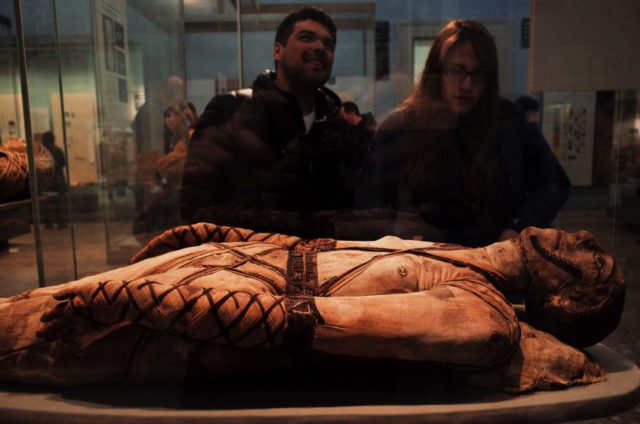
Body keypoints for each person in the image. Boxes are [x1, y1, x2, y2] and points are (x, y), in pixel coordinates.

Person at [0, 222, 624, 394]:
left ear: (564, 299)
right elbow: (316, 252)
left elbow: (298, 325)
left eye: (593, 266)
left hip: (197, 323)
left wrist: (140, 301)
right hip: (207, 277)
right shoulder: (462, 256)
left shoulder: (481, 318)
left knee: (17, 334)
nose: (585, 242)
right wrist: (216, 235)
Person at [363, 20, 571, 247]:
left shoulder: (508, 121)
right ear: (437, 71)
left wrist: (517, 228)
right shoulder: (400, 125)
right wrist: (398, 237)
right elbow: (371, 201)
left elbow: (554, 183)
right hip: (418, 259)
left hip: (491, 257)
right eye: (456, 70)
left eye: (479, 74)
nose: (467, 84)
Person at [180, 7, 360, 239]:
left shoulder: (336, 125)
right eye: (307, 37)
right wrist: (297, 225)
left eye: (328, 44)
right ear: (278, 50)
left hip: (327, 264)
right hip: (246, 264)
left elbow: (353, 206)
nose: (319, 48)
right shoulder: (230, 110)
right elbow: (196, 211)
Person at [41, 130, 68, 229]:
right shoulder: (58, 150)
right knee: (59, 203)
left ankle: (48, 223)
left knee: (47, 203)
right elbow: (63, 163)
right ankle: (61, 222)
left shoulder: (42, 152)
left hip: (47, 181)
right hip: (58, 179)